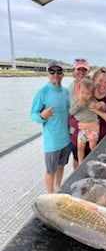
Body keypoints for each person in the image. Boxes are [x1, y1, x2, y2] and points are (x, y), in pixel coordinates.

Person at [30, 60, 71, 193]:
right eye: (52, 71)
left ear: (63, 75)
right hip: (52, 142)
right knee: (50, 170)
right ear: (47, 74)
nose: (55, 74)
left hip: (66, 139)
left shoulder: (66, 92)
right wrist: (42, 116)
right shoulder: (42, 92)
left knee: (61, 166)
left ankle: (57, 188)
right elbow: (33, 115)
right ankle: (50, 195)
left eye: (59, 71)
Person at [69, 78, 105, 165]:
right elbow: (71, 112)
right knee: (80, 147)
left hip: (93, 129)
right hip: (82, 130)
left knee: (92, 145)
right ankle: (81, 163)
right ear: (79, 91)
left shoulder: (93, 101)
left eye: (87, 93)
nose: (84, 95)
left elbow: (102, 110)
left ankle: (96, 160)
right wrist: (78, 105)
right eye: (82, 92)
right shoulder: (77, 101)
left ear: (91, 94)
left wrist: (100, 105)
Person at [68, 58, 90, 169]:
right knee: (76, 158)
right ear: (73, 71)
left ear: (88, 72)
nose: (81, 72)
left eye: (84, 70)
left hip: (90, 130)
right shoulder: (69, 89)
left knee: (89, 158)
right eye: (78, 69)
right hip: (74, 131)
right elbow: (69, 112)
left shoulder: (92, 87)